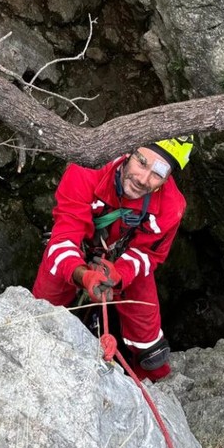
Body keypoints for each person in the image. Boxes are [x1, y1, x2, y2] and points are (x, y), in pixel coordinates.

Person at [31, 137, 193, 381]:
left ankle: (150, 384)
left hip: (121, 261)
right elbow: (64, 239)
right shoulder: (87, 169)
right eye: (142, 162)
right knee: (40, 316)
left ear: (168, 178)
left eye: (158, 174)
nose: (143, 179)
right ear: (128, 151)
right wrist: (83, 276)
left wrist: (120, 274)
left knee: (149, 343)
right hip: (76, 248)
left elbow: (148, 254)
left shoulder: (171, 205)